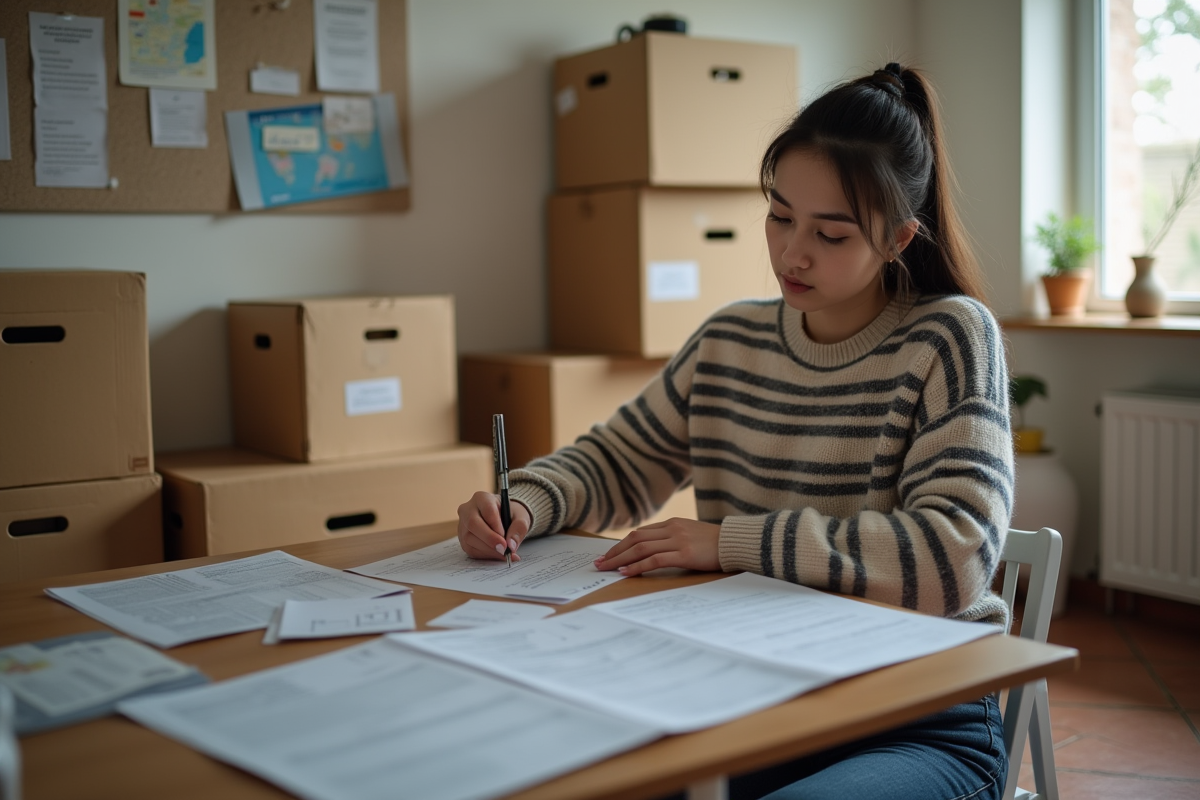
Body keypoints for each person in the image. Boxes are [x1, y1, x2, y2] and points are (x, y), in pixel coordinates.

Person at [457, 62, 1013, 800]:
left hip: (918, 712)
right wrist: (526, 502)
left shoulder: (949, 336)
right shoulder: (731, 340)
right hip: (751, 697)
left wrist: (728, 542)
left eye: (831, 233)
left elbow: (954, 558)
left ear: (899, 237)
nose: (792, 252)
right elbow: (618, 463)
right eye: (780, 216)